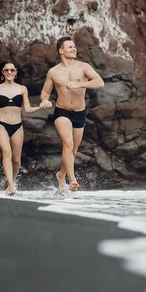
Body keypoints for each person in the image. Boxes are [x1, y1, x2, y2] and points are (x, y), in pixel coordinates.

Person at [39, 36, 105, 194]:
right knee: (67, 144)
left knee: (73, 150)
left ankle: (61, 174)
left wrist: (80, 83)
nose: (74, 49)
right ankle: (72, 179)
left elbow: (100, 82)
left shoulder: (83, 67)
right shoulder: (53, 72)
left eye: (74, 46)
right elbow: (45, 92)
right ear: (61, 51)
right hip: (62, 112)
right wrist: (45, 101)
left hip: (79, 113)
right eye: (70, 47)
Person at [0, 61, 51, 195]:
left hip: (18, 127)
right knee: (7, 153)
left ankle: (10, 183)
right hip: (2, 125)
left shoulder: (22, 89)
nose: (9, 73)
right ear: (3, 72)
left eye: (12, 70)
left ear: (16, 72)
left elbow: (28, 109)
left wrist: (41, 106)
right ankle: (11, 186)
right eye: (6, 70)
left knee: (16, 160)